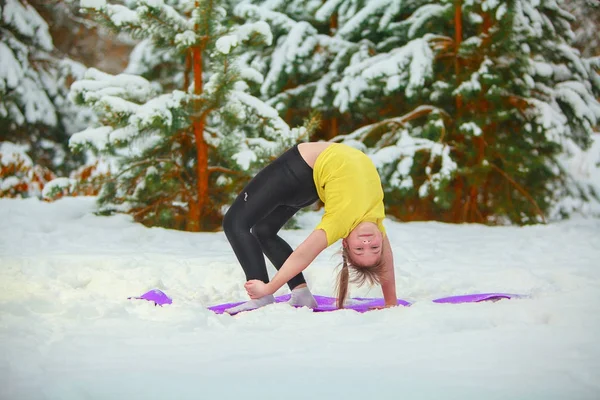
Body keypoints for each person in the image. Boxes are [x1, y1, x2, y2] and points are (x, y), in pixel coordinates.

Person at [221, 141, 397, 314]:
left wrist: (268, 288)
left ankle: (260, 298)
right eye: (374, 247)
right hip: (314, 179)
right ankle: (301, 293)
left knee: (234, 223)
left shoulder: (340, 222)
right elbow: (386, 257)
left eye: (359, 249)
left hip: (299, 169)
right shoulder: (376, 221)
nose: (366, 242)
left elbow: (303, 255)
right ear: (380, 240)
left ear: (345, 242)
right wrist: (390, 301)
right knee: (264, 231)